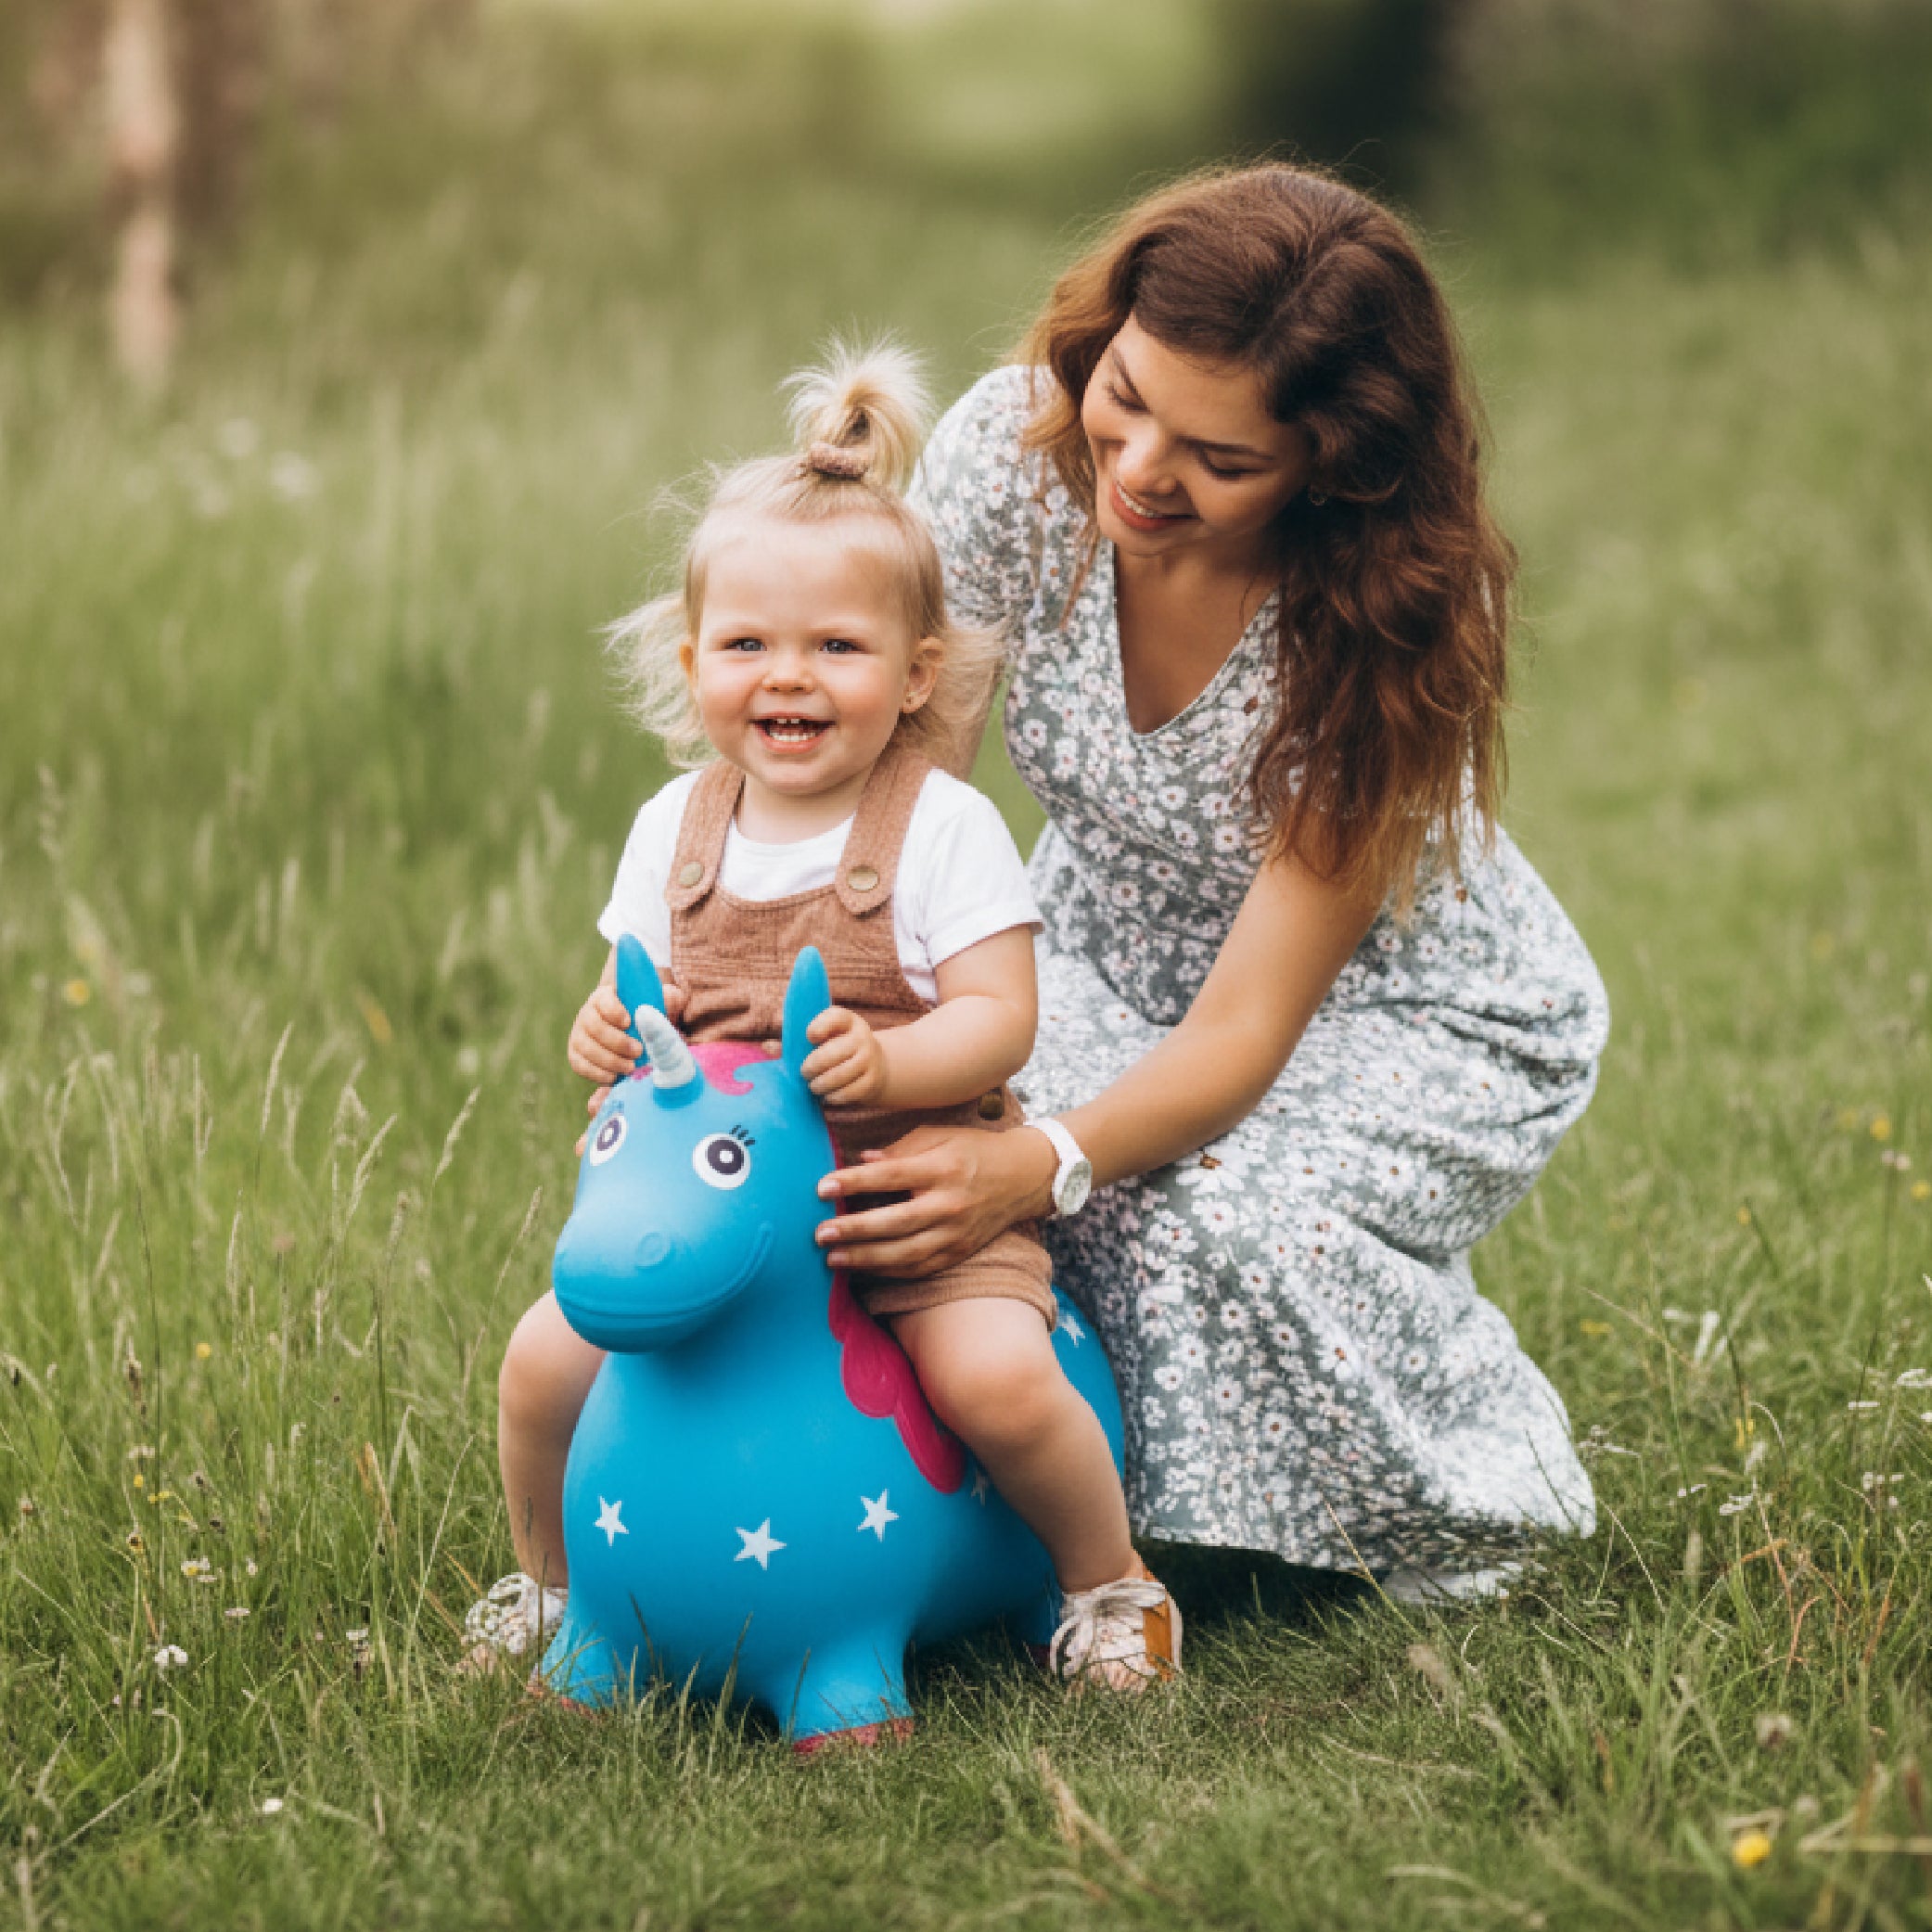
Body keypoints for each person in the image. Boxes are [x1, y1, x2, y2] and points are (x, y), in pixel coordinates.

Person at [811, 164, 1611, 1601]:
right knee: (915, 1146)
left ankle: (1479, 1504)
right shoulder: (1012, 458)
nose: (1137, 473)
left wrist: (1038, 1153)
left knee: (1215, 1214)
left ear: (1337, 465)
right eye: (1126, 395)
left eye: (1221, 461)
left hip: (1405, 1007)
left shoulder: (1393, 612)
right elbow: (907, 801)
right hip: (1104, 944)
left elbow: (1244, 1033)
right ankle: (988, 1501)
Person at [464, 345, 1182, 1690]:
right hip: (720, 1214)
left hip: (902, 1198)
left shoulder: (940, 830)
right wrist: (604, 1037)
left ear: (917, 677)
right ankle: (548, 1581)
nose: (787, 678)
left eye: (836, 649)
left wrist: (893, 1054)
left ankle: (1106, 1584)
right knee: (542, 1364)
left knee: (995, 1381)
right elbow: (635, 995)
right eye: (747, 646)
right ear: (693, 666)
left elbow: (1002, 1020)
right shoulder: (673, 830)